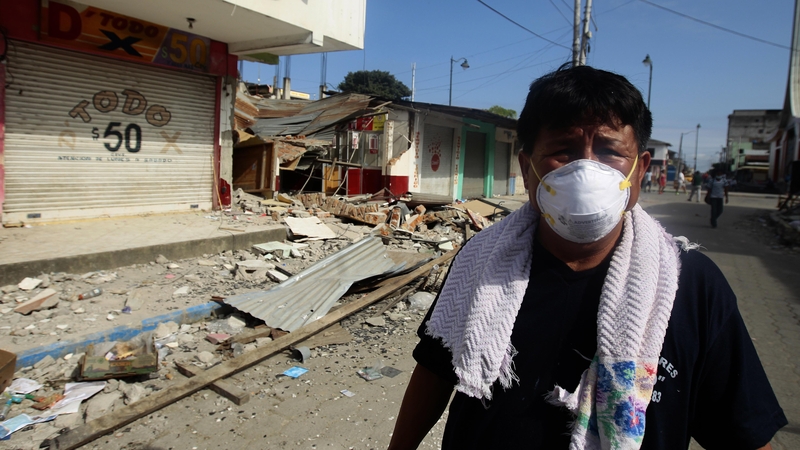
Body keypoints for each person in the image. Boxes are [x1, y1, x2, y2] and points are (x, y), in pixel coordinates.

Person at [388, 65, 785, 450]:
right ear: (528, 169)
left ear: (639, 171)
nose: (586, 170)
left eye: (611, 151)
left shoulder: (691, 283)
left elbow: (741, 429)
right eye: (563, 150)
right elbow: (436, 371)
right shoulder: (480, 261)